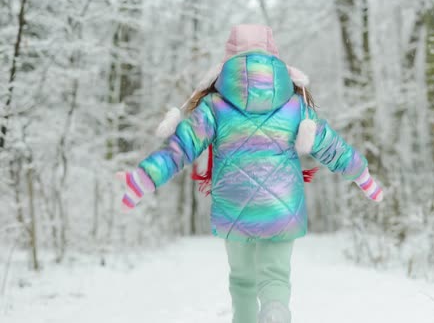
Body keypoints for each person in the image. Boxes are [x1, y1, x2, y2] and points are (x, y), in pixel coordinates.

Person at [116, 24, 383, 323]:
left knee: (242, 280)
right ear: (275, 58)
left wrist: (145, 177)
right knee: (276, 277)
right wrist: (362, 175)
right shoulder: (295, 104)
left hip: (234, 207)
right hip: (282, 207)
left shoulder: (214, 106)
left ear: (228, 60)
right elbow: (331, 146)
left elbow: (182, 147)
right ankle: (275, 314)